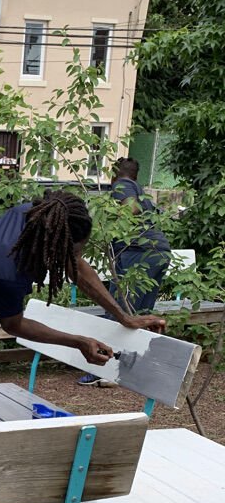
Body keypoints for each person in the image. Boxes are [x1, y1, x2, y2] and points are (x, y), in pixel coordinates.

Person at [0, 189, 167, 424]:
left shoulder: (33, 217)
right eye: (74, 252)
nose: (77, 258)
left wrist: (124, 317)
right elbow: (14, 325)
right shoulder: (6, 267)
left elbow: (74, 264)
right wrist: (78, 342)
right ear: (55, 244)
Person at [78, 158, 172, 385]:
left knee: (120, 311)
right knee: (143, 311)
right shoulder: (141, 191)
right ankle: (138, 367)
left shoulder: (123, 186)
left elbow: (130, 209)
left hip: (138, 253)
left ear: (113, 175)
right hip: (158, 251)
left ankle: (107, 370)